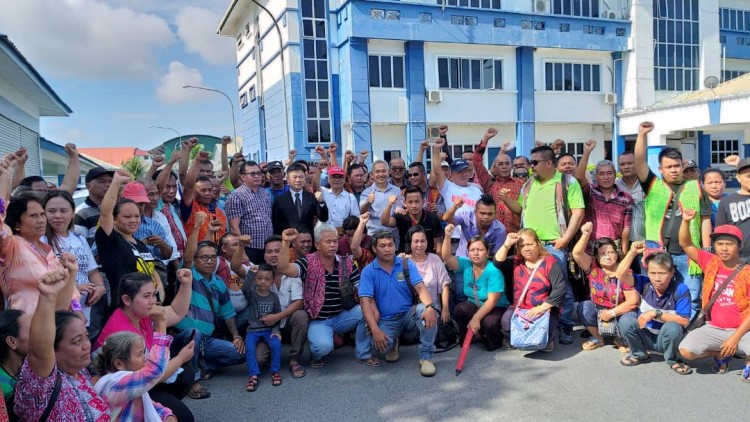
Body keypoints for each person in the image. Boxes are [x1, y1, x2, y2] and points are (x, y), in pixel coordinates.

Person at [499, 145, 585, 344]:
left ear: (549, 163)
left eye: (535, 162)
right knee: (531, 288)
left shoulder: (567, 182)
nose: (531, 166)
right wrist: (505, 200)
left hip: (553, 246)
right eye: (531, 162)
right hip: (527, 246)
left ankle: (564, 327)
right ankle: (537, 324)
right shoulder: (529, 184)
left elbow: (578, 212)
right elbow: (521, 210)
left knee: (561, 288)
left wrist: (565, 239)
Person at [634, 121, 712, 318]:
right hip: (658, 252)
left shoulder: (696, 187)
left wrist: (706, 250)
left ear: (683, 165)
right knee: (656, 294)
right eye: (668, 167)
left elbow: (704, 220)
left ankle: (687, 331)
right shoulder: (652, 185)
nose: (674, 170)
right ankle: (662, 330)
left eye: (677, 165)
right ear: (660, 169)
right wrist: (642, 135)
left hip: (688, 254)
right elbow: (639, 161)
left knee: (692, 294)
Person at [94, 270, 197, 416]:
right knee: (183, 415)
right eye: (146, 296)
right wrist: (180, 358)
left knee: (185, 373)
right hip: (128, 391)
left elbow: (175, 311)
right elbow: (151, 375)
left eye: (154, 294)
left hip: (141, 380)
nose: (153, 301)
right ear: (127, 300)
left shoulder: (140, 312)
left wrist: (186, 284)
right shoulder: (121, 333)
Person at [14, 266, 110, 421]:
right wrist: (47, 296)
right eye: (77, 341)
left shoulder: (80, 372)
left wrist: (71, 275)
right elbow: (40, 349)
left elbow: (59, 319)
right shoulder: (43, 384)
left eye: (85, 337)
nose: (87, 345)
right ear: (52, 349)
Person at [277, 225, 363, 368]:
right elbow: (283, 268)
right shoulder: (307, 262)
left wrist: (372, 311)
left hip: (342, 316)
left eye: (335, 241)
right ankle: (316, 354)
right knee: (323, 348)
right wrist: (285, 242)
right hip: (318, 320)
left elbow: (362, 290)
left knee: (367, 311)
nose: (333, 245)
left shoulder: (346, 262)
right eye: (328, 242)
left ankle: (363, 353)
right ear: (317, 245)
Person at [678, 209, 750, 379]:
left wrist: (735, 338)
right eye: (720, 244)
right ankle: (719, 354)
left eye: (729, 244)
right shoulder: (710, 262)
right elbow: (685, 244)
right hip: (714, 328)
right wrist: (686, 221)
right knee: (685, 351)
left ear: (739, 246)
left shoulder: (747, 272)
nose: (724, 248)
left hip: (743, 330)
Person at [355, 230, 439, 376]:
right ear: (374, 248)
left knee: (428, 311)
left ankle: (426, 357)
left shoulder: (406, 264)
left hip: (408, 314)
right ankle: (393, 344)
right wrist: (375, 330)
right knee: (381, 347)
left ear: (395, 245)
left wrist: (430, 307)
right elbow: (365, 301)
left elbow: (420, 287)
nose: (387, 249)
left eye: (390, 244)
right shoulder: (368, 271)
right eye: (382, 246)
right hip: (386, 320)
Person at [172, 241, 246, 389]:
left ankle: (198, 364)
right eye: (204, 257)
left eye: (213, 257)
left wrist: (236, 336)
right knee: (194, 332)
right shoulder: (187, 275)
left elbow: (228, 313)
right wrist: (198, 226)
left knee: (240, 354)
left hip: (206, 341)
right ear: (195, 259)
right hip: (183, 337)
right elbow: (186, 258)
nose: (210, 261)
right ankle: (192, 379)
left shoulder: (218, 282)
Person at [236, 235, 309, 379]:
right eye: (269, 252)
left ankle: (294, 359)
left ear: (285, 253)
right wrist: (240, 246)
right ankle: (270, 352)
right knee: (258, 360)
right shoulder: (257, 273)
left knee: (301, 316)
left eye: (278, 251)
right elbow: (236, 267)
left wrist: (277, 317)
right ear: (264, 255)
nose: (273, 255)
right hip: (263, 328)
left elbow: (298, 302)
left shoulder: (293, 272)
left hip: (286, 323)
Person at [96, 170, 166, 310]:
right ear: (114, 220)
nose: (133, 220)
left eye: (136, 216)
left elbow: (150, 269)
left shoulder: (139, 243)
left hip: (148, 306)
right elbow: (106, 212)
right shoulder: (111, 240)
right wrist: (116, 182)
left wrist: (159, 287)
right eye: (127, 217)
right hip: (125, 308)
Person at [42, 191, 107, 339]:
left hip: (83, 311)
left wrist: (100, 288)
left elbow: (92, 271)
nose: (57, 215)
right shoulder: (41, 240)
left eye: (63, 211)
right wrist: (75, 288)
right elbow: (42, 278)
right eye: (51, 211)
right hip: (58, 312)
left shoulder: (80, 239)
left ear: (73, 213)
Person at [93, 317, 184, 421]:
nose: (145, 358)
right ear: (119, 363)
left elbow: (147, 405)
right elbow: (154, 371)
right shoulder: (114, 384)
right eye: (139, 354)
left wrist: (166, 415)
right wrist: (161, 325)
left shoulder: (130, 382)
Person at [0, 189, 73, 314]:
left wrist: (77, 311)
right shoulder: (12, 245)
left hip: (57, 320)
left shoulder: (47, 250)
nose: (41, 220)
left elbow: (70, 293)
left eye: (42, 214)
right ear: (17, 223)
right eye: (33, 216)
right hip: (26, 321)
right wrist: (5, 178)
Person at [617, 251, 692, 372]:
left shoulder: (680, 289)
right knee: (626, 320)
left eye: (662, 273)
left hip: (666, 339)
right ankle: (639, 354)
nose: (657, 278)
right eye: (653, 273)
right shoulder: (645, 283)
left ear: (672, 272)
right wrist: (632, 252)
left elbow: (684, 321)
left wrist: (656, 313)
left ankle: (672, 358)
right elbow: (620, 274)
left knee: (674, 328)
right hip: (646, 335)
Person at [571, 222, 640, 350]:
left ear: (617, 253)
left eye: (611, 252)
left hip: (620, 311)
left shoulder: (624, 272)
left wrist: (612, 313)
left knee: (629, 319)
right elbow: (577, 254)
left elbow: (633, 302)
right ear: (597, 257)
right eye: (602, 253)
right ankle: (598, 337)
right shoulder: (593, 267)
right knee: (584, 307)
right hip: (599, 310)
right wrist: (585, 235)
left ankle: (622, 338)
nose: (607, 256)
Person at [496, 229, 567, 352]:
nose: (526, 248)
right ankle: (517, 339)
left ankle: (548, 339)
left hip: (544, 307)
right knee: (505, 322)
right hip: (520, 307)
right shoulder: (516, 261)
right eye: (522, 246)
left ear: (537, 244)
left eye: (530, 244)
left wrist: (541, 308)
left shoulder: (549, 263)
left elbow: (560, 288)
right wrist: (507, 244)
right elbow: (497, 263)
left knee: (545, 328)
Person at [442, 224, 508, 351]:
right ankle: (471, 336)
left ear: (487, 252)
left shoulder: (493, 271)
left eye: (480, 250)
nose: (476, 253)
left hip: (495, 307)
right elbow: (447, 257)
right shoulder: (466, 265)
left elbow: (492, 301)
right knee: (460, 309)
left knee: (489, 323)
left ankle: (495, 338)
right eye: (472, 250)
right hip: (474, 303)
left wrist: (476, 318)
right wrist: (447, 236)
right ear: (468, 253)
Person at [575, 140, 634, 254]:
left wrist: (624, 254)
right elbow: (579, 177)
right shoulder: (591, 192)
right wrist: (587, 152)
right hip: (590, 249)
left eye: (609, 173)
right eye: (602, 174)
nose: (606, 177)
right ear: (596, 176)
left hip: (613, 251)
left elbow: (626, 228)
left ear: (615, 174)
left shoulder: (625, 198)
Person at [242, 264, 283, 392]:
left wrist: (276, 331)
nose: (263, 281)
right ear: (256, 279)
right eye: (259, 278)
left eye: (266, 279)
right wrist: (251, 273)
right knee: (249, 348)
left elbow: (277, 315)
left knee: (276, 344)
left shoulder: (274, 297)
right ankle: (253, 375)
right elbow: (245, 288)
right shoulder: (252, 294)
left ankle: (275, 371)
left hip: (268, 330)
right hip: (253, 330)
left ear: (272, 281)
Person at [473, 134, 524, 234]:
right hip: (494, 235)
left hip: (516, 234)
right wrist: (485, 139)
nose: (504, 166)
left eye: (507, 164)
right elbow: (476, 160)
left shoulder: (521, 183)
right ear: (494, 168)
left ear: (511, 166)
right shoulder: (489, 183)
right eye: (500, 164)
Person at [226, 161, 273, 265]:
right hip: (249, 248)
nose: (257, 176)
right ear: (242, 177)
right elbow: (234, 227)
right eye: (252, 174)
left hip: (267, 247)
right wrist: (241, 252)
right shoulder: (236, 196)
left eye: (259, 173)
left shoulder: (265, 193)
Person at [404, 226, 451, 324]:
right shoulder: (403, 263)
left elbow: (445, 285)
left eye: (423, 241)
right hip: (410, 312)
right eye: (416, 241)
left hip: (434, 311)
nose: (420, 245)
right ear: (410, 242)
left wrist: (445, 309)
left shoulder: (435, 259)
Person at [181, 152, 228, 244]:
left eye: (210, 190)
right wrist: (197, 160)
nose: (207, 193)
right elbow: (189, 186)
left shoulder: (219, 212)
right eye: (203, 190)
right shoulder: (191, 207)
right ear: (193, 193)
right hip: (195, 254)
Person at [381, 186, 443, 253]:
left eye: (417, 202)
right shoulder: (402, 216)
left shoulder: (432, 218)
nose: (414, 205)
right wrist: (390, 204)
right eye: (410, 202)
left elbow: (438, 244)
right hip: (405, 256)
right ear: (405, 203)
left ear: (423, 202)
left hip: (427, 256)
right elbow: (385, 222)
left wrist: (438, 261)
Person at [272, 162, 329, 235]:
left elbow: (323, 218)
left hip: (308, 241)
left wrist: (321, 202)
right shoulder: (279, 200)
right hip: (289, 241)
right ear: (288, 179)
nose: (298, 180)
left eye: (301, 177)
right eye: (294, 177)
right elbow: (276, 224)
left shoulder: (311, 197)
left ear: (305, 178)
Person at [615, 151, 646, 272]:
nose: (626, 167)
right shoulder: (615, 186)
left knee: (645, 279)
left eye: (630, 163)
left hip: (642, 242)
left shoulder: (646, 185)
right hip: (621, 245)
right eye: (622, 164)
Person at [360, 161, 404, 242]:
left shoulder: (397, 190)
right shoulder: (366, 192)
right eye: (377, 172)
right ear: (372, 175)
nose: (381, 174)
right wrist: (367, 203)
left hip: (393, 234)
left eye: (383, 171)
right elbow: (362, 212)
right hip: (374, 234)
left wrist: (399, 209)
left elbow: (400, 209)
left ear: (388, 173)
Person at [716, 157, 750, 261]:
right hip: (739, 260)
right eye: (748, 176)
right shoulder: (726, 202)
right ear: (738, 178)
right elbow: (720, 233)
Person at [74, 166, 115, 246]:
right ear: (88, 186)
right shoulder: (80, 214)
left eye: (110, 181)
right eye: (102, 181)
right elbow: (80, 246)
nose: (108, 185)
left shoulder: (116, 208)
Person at [0, 310, 30, 405]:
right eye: (31, 330)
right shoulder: (3, 388)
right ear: (12, 342)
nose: (39, 335)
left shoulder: (30, 368)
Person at [319, 166, 360, 231]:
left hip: (342, 233)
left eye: (340, 177)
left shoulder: (350, 197)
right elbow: (315, 185)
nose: (337, 180)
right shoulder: (323, 192)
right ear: (329, 179)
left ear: (344, 179)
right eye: (334, 177)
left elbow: (356, 219)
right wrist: (319, 169)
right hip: (324, 232)